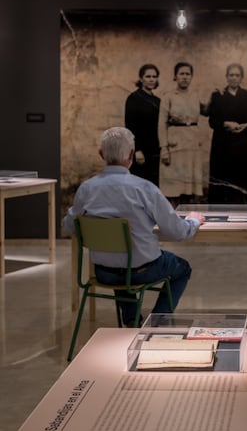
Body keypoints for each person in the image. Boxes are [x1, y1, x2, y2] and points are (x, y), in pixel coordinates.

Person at [62, 127, 205, 326]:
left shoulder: (87, 189)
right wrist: (193, 221)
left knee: (119, 261)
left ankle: (131, 319)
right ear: (131, 154)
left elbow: (68, 227)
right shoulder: (144, 188)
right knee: (181, 268)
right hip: (143, 270)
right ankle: (158, 321)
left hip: (103, 272)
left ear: (101, 154)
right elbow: (177, 231)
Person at [158, 62, 208, 206]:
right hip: (175, 144)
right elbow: (162, 123)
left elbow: (206, 111)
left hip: (192, 143)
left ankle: (188, 217)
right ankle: (173, 216)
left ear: (191, 77)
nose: (185, 77)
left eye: (188, 74)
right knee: (174, 185)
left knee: (189, 184)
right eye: (181, 74)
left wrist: (213, 97)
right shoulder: (168, 97)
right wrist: (164, 148)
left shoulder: (196, 95)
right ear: (175, 76)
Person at [208, 63, 247, 204]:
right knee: (223, 174)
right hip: (222, 143)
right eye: (231, 75)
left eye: (237, 75)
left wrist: (245, 125)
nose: (234, 78)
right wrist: (226, 124)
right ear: (226, 77)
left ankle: (242, 208)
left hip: (243, 141)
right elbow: (212, 121)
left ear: (241, 77)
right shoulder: (219, 96)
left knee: (243, 174)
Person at [124, 63, 161, 186]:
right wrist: (137, 150)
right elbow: (130, 126)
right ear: (141, 79)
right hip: (141, 149)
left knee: (153, 183)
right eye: (148, 76)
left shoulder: (158, 101)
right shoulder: (134, 98)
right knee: (139, 182)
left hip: (155, 148)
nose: (151, 79)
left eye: (154, 77)